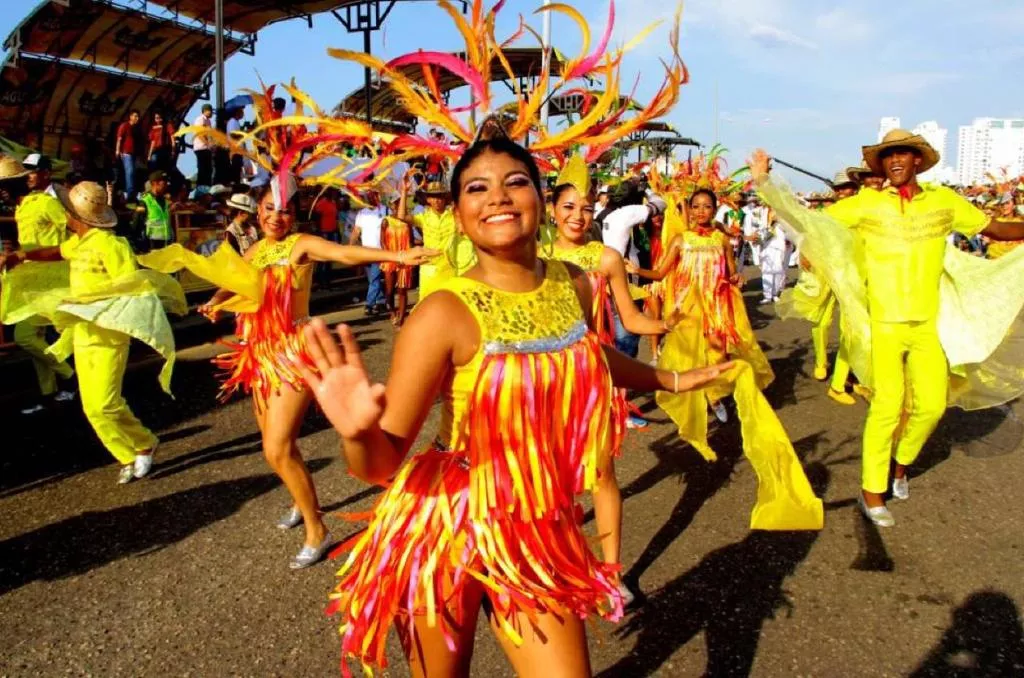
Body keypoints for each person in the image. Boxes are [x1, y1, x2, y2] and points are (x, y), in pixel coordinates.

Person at [303, 124, 732, 677]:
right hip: (448, 520)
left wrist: (671, 380)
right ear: (458, 215)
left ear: (540, 199)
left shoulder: (574, 284)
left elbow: (588, 355)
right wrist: (358, 431)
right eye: (477, 189)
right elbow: (381, 464)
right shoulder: (441, 313)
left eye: (515, 181)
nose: (498, 196)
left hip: (536, 523)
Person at [142, 175, 437, 568]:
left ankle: (317, 528)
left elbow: (343, 254)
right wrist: (214, 301)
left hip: (293, 353)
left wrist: (397, 257)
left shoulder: (301, 246)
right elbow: (235, 284)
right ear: (258, 211)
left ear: (293, 214)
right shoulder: (256, 250)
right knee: (276, 445)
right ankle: (302, 500)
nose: (276, 217)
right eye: (269, 209)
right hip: (259, 354)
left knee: (276, 447)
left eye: (284, 210)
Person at [752, 129, 1024, 527]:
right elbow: (810, 221)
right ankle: (871, 491)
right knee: (886, 406)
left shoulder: (944, 202)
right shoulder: (867, 204)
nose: (894, 160)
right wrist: (765, 183)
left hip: (927, 325)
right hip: (883, 325)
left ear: (918, 160)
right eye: (888, 156)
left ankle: (901, 462)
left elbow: (994, 229)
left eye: (902, 154)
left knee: (931, 406)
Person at [545, 154, 673, 605]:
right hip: (540, 385)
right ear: (551, 211)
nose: (577, 216)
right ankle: (556, 563)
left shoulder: (607, 258)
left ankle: (610, 571)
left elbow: (633, 320)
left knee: (601, 474)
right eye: (568, 207)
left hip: (591, 379)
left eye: (585, 208)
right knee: (548, 480)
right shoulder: (535, 259)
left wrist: (668, 324)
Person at [1, 182, 185, 483]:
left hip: (109, 334)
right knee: (91, 406)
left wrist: (102, 304)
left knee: (105, 402)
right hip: (83, 332)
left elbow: (132, 285)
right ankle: (131, 453)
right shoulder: (81, 241)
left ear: (75, 215)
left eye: (67, 211)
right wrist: (21, 256)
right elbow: (57, 252)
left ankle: (145, 441)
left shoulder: (111, 244)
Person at [2, 154, 76, 412]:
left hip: (52, 280)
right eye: (26, 172)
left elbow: (74, 228)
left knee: (25, 336)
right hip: (33, 279)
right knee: (34, 336)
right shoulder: (24, 205)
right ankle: (49, 392)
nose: (29, 175)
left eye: (32, 171)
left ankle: (68, 375)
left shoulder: (48, 202)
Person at [397, 178, 474, 300]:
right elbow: (401, 216)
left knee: (449, 304)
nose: (436, 201)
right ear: (428, 200)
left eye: (439, 197)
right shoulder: (424, 217)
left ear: (445, 199)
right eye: (433, 197)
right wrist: (404, 192)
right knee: (427, 303)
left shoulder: (454, 216)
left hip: (449, 267)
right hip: (429, 267)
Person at [347, 190, 388, 315]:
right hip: (366, 252)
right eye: (368, 196)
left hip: (379, 251)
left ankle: (369, 304)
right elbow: (356, 231)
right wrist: (349, 247)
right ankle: (381, 301)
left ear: (378, 196)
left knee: (374, 278)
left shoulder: (385, 210)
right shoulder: (361, 214)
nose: (371, 198)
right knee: (372, 278)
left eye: (374, 195)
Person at [134, 170, 173, 250]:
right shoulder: (144, 201)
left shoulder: (165, 201)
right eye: (164, 183)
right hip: (151, 244)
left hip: (166, 243)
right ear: (155, 183)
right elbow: (136, 224)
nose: (166, 185)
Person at [311, 188, 340, 285]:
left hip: (332, 232)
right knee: (323, 258)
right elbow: (316, 218)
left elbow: (335, 217)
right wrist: (319, 232)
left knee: (329, 257)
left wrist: (337, 231)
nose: (333, 193)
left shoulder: (333, 202)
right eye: (331, 192)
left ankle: (327, 280)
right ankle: (321, 280)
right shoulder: (321, 203)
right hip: (324, 233)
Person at [115, 109, 141, 202]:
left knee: (132, 173)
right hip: (126, 152)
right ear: (130, 117)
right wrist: (118, 150)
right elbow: (119, 138)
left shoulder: (137, 128)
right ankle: (130, 194)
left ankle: (132, 192)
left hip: (133, 153)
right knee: (129, 172)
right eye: (135, 116)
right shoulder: (125, 126)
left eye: (138, 116)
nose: (137, 118)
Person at [192, 104, 214, 187]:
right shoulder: (200, 120)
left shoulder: (208, 121)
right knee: (203, 169)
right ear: (205, 111)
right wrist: (207, 143)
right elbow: (199, 134)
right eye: (210, 111)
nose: (211, 113)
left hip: (207, 148)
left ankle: (207, 185)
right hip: (201, 148)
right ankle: (201, 186)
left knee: (208, 169)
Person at [226, 108, 245, 184]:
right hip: (235, 149)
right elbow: (233, 134)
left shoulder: (236, 122)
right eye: (241, 112)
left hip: (238, 150)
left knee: (238, 169)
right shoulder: (232, 122)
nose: (243, 114)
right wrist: (243, 134)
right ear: (237, 112)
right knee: (236, 169)